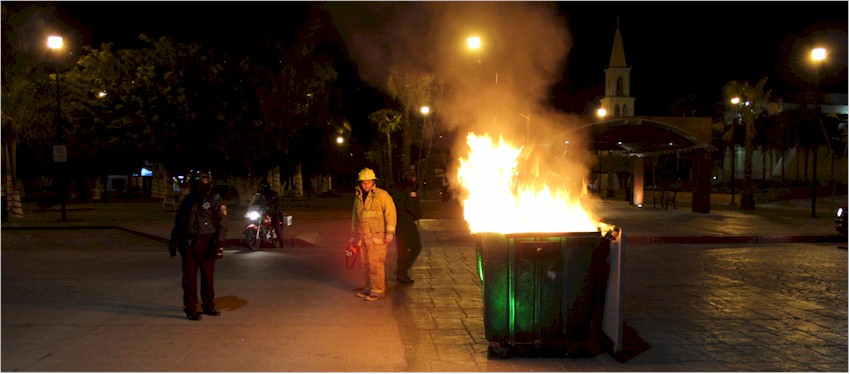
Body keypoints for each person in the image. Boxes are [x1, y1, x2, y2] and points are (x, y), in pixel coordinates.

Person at [169, 170, 228, 320]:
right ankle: (190, 308)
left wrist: (219, 243)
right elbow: (179, 221)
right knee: (189, 278)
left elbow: (223, 224)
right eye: (198, 180)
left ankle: (208, 306)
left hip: (207, 243)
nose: (200, 184)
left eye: (203, 180)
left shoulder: (215, 200)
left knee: (207, 278)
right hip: (188, 243)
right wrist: (173, 240)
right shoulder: (188, 199)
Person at [350, 167, 397, 301]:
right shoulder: (358, 197)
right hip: (362, 238)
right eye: (364, 182)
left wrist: (390, 233)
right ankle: (369, 288)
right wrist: (353, 235)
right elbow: (355, 217)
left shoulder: (382, 196)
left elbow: (391, 215)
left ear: (373, 182)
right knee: (366, 265)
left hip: (377, 238)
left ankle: (377, 291)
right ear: (360, 183)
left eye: (369, 182)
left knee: (376, 265)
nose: (366, 185)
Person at [392, 173, 422, 284]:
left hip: (398, 223)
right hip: (407, 223)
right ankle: (402, 271)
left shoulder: (397, 188)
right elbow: (411, 206)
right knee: (416, 247)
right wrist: (417, 215)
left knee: (402, 250)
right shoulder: (409, 189)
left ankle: (401, 273)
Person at [259, 180, 285, 247]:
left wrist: (273, 207)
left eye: (262, 186)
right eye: (261, 186)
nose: (262, 187)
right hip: (264, 211)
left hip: (274, 212)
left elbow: (277, 202)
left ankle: (282, 243)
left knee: (276, 225)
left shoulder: (272, 193)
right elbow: (256, 202)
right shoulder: (260, 195)